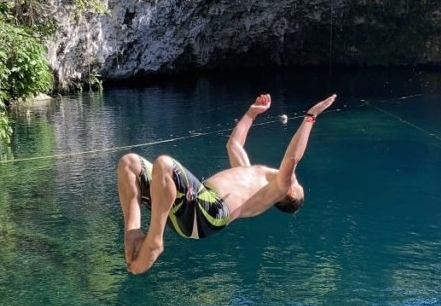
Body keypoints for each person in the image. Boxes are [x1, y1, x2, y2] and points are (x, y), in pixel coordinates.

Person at [117, 92, 336, 274]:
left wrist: (310, 117)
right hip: (190, 208)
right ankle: (133, 233)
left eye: (297, 185)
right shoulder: (250, 175)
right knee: (130, 163)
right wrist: (251, 113)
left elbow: (292, 158)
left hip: (211, 212)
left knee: (165, 165)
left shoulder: (277, 189)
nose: (295, 179)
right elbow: (234, 145)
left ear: (290, 194)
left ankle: (154, 241)